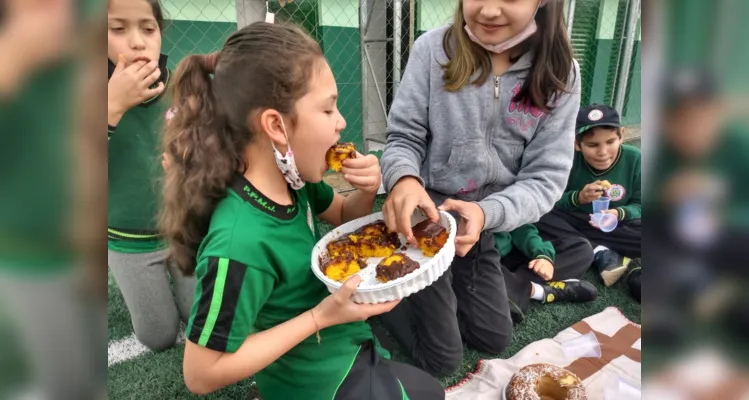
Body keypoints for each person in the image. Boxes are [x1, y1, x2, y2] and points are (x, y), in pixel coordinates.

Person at [160, 22, 445, 400]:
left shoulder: (292, 180)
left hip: (343, 344)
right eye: (328, 109)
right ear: (276, 125)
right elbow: (200, 374)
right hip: (315, 381)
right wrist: (320, 317)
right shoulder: (239, 242)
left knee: (431, 391)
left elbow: (344, 216)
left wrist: (368, 188)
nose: (342, 122)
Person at [378, 0, 581, 376]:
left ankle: (443, 288)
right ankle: (392, 295)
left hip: (480, 224)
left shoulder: (560, 73)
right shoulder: (432, 50)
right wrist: (404, 179)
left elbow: (546, 178)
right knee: (442, 359)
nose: (488, 10)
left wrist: (488, 213)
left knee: (493, 337)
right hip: (424, 221)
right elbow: (403, 137)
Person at [107, 0, 196, 351]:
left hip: (184, 230)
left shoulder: (182, 89)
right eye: (117, 29)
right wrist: (111, 107)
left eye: (148, 28)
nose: (137, 42)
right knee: (158, 336)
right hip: (127, 240)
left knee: (201, 315)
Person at [536, 104, 641, 287]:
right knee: (537, 213)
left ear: (621, 135)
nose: (602, 152)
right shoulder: (567, 159)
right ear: (576, 143)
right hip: (574, 221)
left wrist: (618, 213)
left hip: (616, 225)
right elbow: (549, 197)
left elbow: (641, 205)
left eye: (610, 142)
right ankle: (600, 250)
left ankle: (596, 248)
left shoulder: (635, 158)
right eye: (592, 145)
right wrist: (578, 197)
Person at [496, 224, 596, 323]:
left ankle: (515, 288)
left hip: (509, 256)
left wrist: (543, 255)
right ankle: (540, 291)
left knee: (582, 249)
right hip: (487, 263)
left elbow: (521, 227)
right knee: (499, 312)